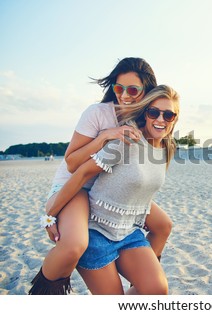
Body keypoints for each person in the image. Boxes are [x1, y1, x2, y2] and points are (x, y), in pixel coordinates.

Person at [29, 57, 172, 294]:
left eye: (133, 90)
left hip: (106, 187)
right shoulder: (98, 113)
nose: (124, 95)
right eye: (119, 88)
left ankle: (140, 281)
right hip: (77, 187)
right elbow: (73, 164)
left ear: (147, 91)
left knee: (163, 225)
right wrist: (104, 136)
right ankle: (45, 290)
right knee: (75, 244)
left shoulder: (145, 118)